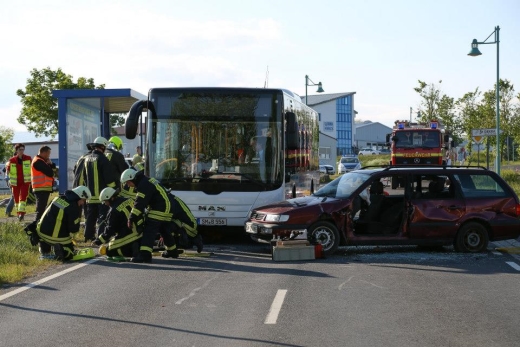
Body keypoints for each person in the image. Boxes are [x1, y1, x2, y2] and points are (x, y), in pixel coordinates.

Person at [120, 168, 179, 263]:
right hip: (169, 207)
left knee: (149, 229)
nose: (128, 186)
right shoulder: (147, 180)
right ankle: (172, 251)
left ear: (132, 178)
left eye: (128, 183)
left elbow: (139, 203)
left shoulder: (143, 185)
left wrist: (131, 218)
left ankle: (145, 255)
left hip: (161, 208)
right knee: (164, 230)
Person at [30, 186, 91, 261]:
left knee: (46, 244)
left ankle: (44, 252)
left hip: (40, 232)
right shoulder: (73, 207)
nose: (82, 203)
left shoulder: (57, 198)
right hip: (54, 236)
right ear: (79, 197)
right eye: (83, 200)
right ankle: (60, 250)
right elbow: (73, 229)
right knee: (70, 254)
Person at [74, 137, 117, 242]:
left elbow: (83, 176)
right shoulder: (103, 159)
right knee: (102, 217)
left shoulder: (87, 158)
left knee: (90, 217)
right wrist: (114, 190)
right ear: (102, 146)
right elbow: (109, 178)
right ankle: (100, 237)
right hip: (102, 196)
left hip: (90, 196)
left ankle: (88, 236)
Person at [91, 187, 142, 260]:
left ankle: (132, 249)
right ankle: (138, 246)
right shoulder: (129, 199)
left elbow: (110, 230)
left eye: (105, 201)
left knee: (109, 250)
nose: (105, 204)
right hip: (141, 231)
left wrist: (98, 241)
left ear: (111, 198)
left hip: (130, 234)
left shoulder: (113, 211)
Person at [7, 143, 32, 221]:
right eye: (20, 149)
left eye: (22, 149)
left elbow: (32, 168)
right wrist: (8, 179)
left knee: (23, 197)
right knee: (16, 199)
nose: (21, 151)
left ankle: (22, 213)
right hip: (15, 183)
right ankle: (18, 213)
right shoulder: (12, 160)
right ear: (16, 150)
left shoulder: (28, 158)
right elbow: (8, 171)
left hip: (25, 182)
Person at [31, 145, 56, 222]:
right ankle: (36, 225)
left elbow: (53, 171)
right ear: (43, 152)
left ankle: (39, 223)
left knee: (42, 208)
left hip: (44, 188)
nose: (49, 155)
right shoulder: (38, 161)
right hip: (40, 188)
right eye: (48, 153)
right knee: (41, 209)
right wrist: (50, 166)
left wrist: (51, 164)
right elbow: (50, 173)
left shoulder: (43, 161)